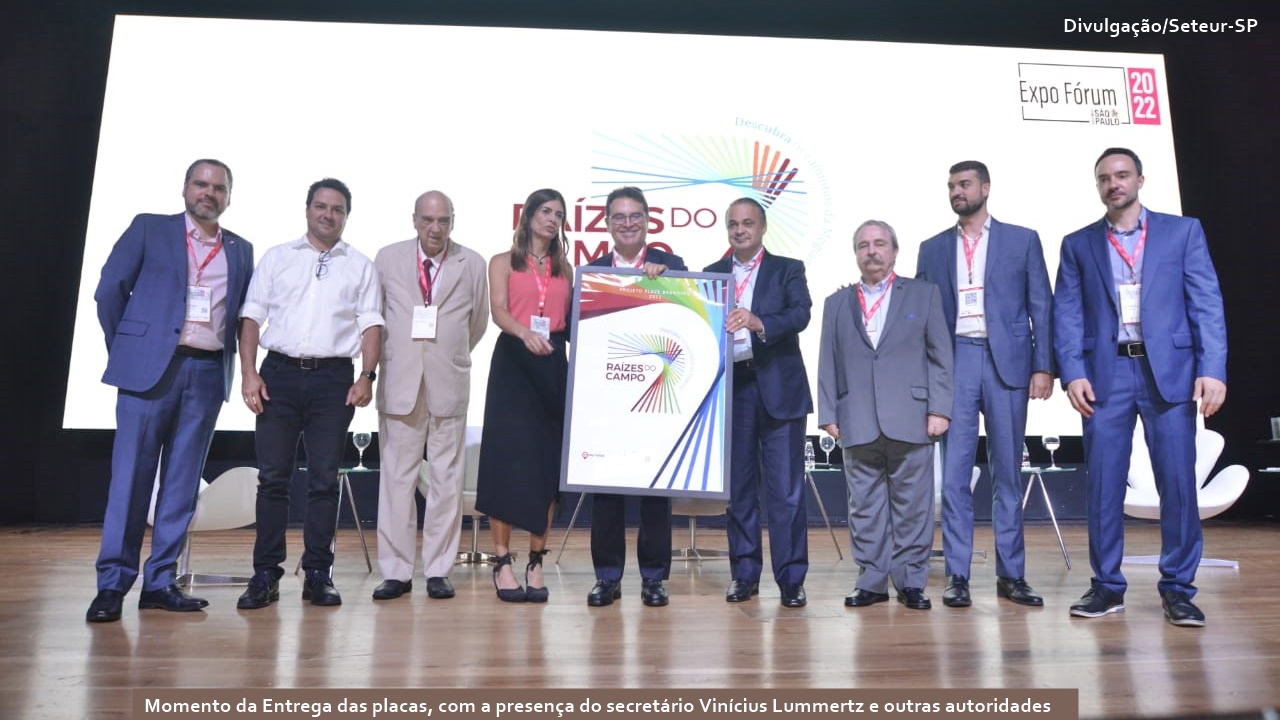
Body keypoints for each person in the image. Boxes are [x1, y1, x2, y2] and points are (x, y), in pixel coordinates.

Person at [1054, 147, 1226, 627]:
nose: (1114, 184)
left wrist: (1213, 368)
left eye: (1122, 175)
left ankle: (1179, 590)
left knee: (1178, 484)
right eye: (1105, 178)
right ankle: (1107, 587)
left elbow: (1206, 302)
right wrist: (1072, 372)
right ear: (1098, 186)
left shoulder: (1182, 232)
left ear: (1140, 180)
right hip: (1104, 374)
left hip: (1168, 372)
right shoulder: (1078, 244)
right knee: (1103, 486)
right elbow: (1067, 313)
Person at [87, 159, 254, 623]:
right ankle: (112, 584)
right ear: (185, 188)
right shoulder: (149, 228)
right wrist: (129, 348)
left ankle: (160, 581)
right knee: (130, 482)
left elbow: (242, 314)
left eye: (218, 188)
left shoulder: (240, 249)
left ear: (229, 197)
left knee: (181, 486)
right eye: (201, 184)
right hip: (148, 374)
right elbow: (109, 291)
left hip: (206, 374)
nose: (208, 193)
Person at [236, 178, 384, 609]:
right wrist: (248, 373)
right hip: (278, 375)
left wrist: (367, 376)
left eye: (337, 209)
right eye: (321, 206)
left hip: (333, 380)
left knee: (324, 481)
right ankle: (265, 574)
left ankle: (318, 573)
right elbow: (251, 317)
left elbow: (371, 324)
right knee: (273, 479)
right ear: (307, 210)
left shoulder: (360, 265)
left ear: (346, 216)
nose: (328, 215)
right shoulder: (278, 257)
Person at [915, 160, 1054, 609]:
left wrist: (1043, 366)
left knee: (1007, 474)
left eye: (964, 184)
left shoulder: (1022, 239)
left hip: (1007, 363)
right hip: (954, 361)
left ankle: (1011, 575)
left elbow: (1042, 306)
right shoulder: (932, 248)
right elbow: (920, 317)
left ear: (986, 188)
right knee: (954, 478)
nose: (956, 191)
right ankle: (957, 575)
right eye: (951, 186)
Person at [818, 220, 953, 611]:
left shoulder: (924, 294)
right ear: (855, 254)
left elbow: (941, 356)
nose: (871, 251)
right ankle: (872, 581)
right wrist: (828, 412)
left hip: (912, 416)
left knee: (914, 508)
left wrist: (940, 409)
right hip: (856, 417)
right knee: (864, 508)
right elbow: (827, 361)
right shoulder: (836, 303)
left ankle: (911, 581)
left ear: (894, 251)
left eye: (879, 244)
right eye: (863, 245)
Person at [370, 191, 489, 602]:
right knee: (396, 481)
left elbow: (478, 323)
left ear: (453, 221)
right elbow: (374, 316)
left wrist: (448, 356)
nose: (435, 228)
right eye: (428, 220)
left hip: (448, 382)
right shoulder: (387, 258)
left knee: (446, 481)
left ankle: (439, 569)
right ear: (415, 220)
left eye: (443, 220)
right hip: (399, 382)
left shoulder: (472, 263)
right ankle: (396, 572)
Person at [702, 197, 813, 609]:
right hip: (732, 390)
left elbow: (800, 314)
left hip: (779, 390)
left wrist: (758, 321)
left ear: (763, 227)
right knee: (740, 491)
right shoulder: (711, 274)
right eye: (733, 224)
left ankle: (791, 579)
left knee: (786, 493)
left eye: (747, 223)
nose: (740, 230)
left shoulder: (788, 269)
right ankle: (744, 575)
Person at [474, 188, 573, 603]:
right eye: (545, 211)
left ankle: (536, 560)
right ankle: (502, 561)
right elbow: (498, 310)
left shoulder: (566, 269)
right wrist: (525, 333)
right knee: (506, 463)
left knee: (547, 467)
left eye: (559, 214)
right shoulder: (502, 262)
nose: (552, 219)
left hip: (553, 364)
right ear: (528, 215)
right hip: (514, 362)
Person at [584, 186, 680, 608]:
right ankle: (607, 577)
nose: (628, 224)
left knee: (655, 493)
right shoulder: (591, 273)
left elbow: (687, 319)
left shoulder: (672, 266)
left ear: (647, 221)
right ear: (607, 223)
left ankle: (654, 578)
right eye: (619, 217)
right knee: (606, 491)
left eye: (635, 216)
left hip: (656, 395)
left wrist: (668, 284)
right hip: (609, 398)